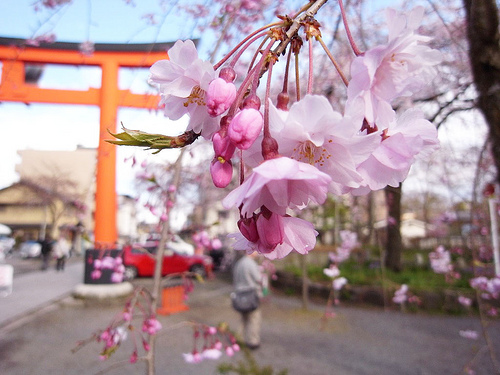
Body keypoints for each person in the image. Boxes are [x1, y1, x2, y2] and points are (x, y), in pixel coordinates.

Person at [232, 252, 263, 350]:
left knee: (242, 317)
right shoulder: (251, 263)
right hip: (250, 294)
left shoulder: (239, 263)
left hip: (239, 294)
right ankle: (252, 341)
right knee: (254, 318)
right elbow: (258, 278)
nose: (257, 252)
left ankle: (237, 338)